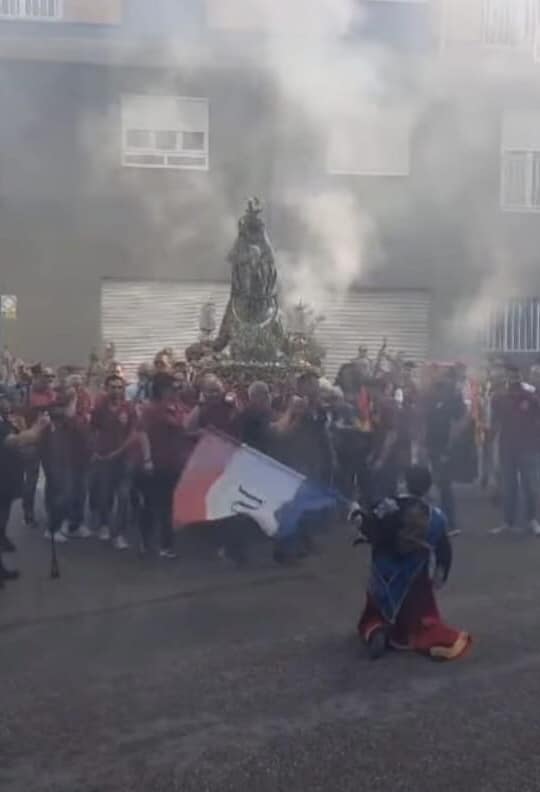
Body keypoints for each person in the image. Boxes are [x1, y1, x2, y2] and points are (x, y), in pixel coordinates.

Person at [357, 465, 471, 661]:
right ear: (428, 487)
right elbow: (444, 551)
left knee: (372, 617)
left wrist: (357, 516)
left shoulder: (386, 505)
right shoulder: (436, 517)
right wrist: (439, 576)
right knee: (423, 619)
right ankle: (408, 632)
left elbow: (368, 529)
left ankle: (376, 630)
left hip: (383, 580)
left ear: (404, 481)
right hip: (414, 586)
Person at [0, 385, 50, 586]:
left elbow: (26, 440)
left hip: (6, 480)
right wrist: (39, 425)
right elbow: (16, 441)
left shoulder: (6, 420)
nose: (8, 401)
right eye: (4, 398)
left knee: (2, 523)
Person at [137, 373, 189, 558]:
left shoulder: (178, 407)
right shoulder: (151, 409)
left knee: (170, 505)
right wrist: (147, 459)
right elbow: (141, 433)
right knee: (152, 504)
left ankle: (167, 544)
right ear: (162, 389)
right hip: (157, 463)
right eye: (172, 388)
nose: (176, 391)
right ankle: (147, 540)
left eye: (177, 388)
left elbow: (185, 428)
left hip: (174, 463)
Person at [490, 365, 540, 536]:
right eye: (510, 375)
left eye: (516, 375)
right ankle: (508, 522)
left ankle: (532, 520)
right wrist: (493, 445)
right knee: (509, 487)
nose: (513, 378)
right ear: (506, 377)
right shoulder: (499, 398)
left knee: (531, 486)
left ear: (521, 375)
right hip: (507, 448)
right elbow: (495, 423)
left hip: (528, 448)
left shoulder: (531, 396)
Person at [90, 374, 137, 550]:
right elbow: (93, 429)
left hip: (125, 459)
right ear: (106, 388)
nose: (117, 390)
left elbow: (133, 433)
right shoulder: (100, 407)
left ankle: (118, 533)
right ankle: (103, 524)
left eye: (119, 387)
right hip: (104, 458)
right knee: (105, 495)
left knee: (123, 497)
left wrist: (119, 452)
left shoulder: (129, 407)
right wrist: (95, 451)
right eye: (113, 387)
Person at [424, 368, 468, 537]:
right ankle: (442, 521)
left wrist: (448, 449)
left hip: (444, 449)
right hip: (434, 448)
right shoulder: (436, 403)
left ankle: (451, 523)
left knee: (444, 485)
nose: (438, 390)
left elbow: (457, 427)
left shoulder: (452, 404)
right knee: (439, 485)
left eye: (440, 387)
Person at [21, 366, 56, 525]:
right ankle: (28, 513)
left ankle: (51, 511)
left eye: (51, 377)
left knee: (52, 477)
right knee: (32, 479)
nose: (49, 380)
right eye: (46, 376)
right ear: (38, 377)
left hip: (50, 442)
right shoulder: (30, 393)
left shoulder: (52, 392)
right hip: (33, 441)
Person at [232, 381, 273, 453]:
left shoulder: (272, 415)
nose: (267, 397)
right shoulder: (244, 416)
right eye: (264, 394)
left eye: (267, 393)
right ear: (252, 396)